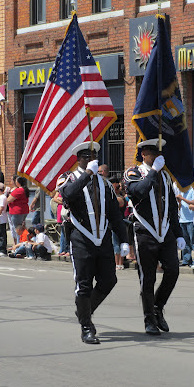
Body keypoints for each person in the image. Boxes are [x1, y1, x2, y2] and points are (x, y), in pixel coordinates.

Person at [57, 141, 129, 344]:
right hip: (81, 239)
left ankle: (85, 311)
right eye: (87, 157)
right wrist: (87, 174)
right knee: (84, 285)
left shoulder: (105, 183)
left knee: (109, 280)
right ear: (78, 159)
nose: (91, 161)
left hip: (103, 239)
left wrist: (123, 239)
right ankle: (87, 327)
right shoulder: (68, 178)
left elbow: (115, 214)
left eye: (94, 157)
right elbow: (67, 195)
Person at [124, 138, 185, 336]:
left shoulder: (166, 177)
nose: (159, 157)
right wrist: (153, 171)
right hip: (144, 231)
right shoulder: (133, 173)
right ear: (144, 154)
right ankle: (149, 319)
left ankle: (158, 307)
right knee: (147, 278)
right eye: (154, 154)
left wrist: (179, 234)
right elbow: (138, 192)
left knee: (173, 271)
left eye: (160, 154)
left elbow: (172, 209)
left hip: (165, 231)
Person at [175, 185, 194, 266]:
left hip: (191, 219)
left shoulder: (192, 191)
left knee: (193, 241)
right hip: (182, 219)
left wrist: (183, 199)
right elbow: (180, 207)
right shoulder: (182, 193)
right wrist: (180, 202)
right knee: (185, 241)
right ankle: (186, 259)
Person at [108, 176, 126, 270]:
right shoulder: (119, 197)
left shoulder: (118, 198)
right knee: (117, 244)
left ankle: (119, 263)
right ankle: (118, 263)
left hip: (118, 223)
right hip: (115, 223)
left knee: (117, 244)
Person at [7, 176, 29, 242]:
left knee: (17, 229)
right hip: (24, 210)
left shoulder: (19, 190)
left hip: (17, 211)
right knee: (22, 227)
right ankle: (22, 241)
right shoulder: (25, 189)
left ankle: (19, 243)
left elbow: (9, 200)